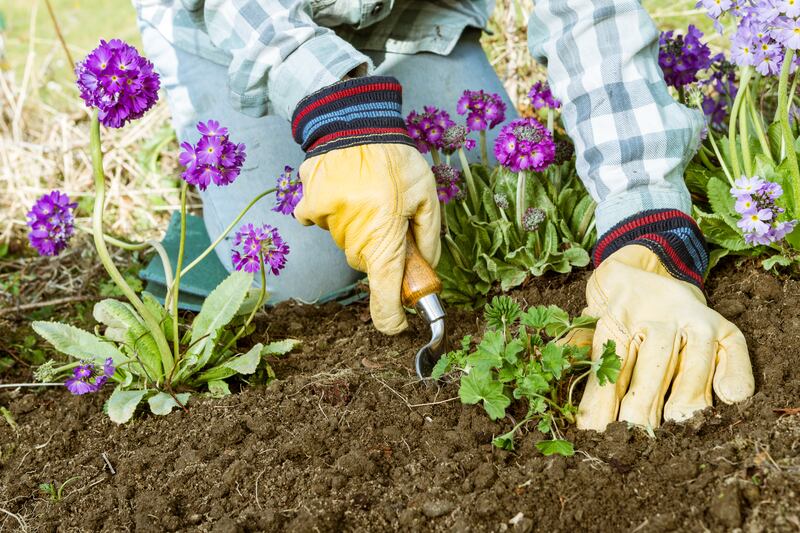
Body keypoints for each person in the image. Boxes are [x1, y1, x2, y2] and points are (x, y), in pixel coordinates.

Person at [133, 0, 755, 430]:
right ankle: (200, 236)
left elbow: (593, 21)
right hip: (234, 28)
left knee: (488, 187)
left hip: (411, 19)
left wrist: (645, 230)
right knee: (300, 269)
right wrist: (339, 116)